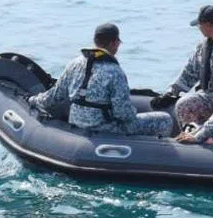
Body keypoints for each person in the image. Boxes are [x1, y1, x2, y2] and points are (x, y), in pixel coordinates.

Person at [28, 23, 172, 136]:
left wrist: (33, 100)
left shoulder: (75, 63)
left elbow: (54, 96)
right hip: (105, 128)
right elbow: (122, 113)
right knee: (165, 119)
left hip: (76, 122)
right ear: (114, 43)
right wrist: (134, 113)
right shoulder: (115, 72)